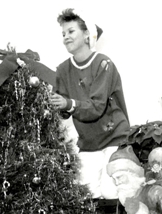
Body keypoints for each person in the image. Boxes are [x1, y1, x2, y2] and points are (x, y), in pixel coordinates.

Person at [50, 8, 130, 199]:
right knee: (86, 194)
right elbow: (63, 112)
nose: (66, 37)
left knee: (111, 192)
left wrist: (67, 103)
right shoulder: (62, 70)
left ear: (87, 34)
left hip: (115, 137)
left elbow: (96, 107)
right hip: (88, 143)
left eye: (71, 31)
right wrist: (52, 104)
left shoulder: (103, 63)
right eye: (63, 33)